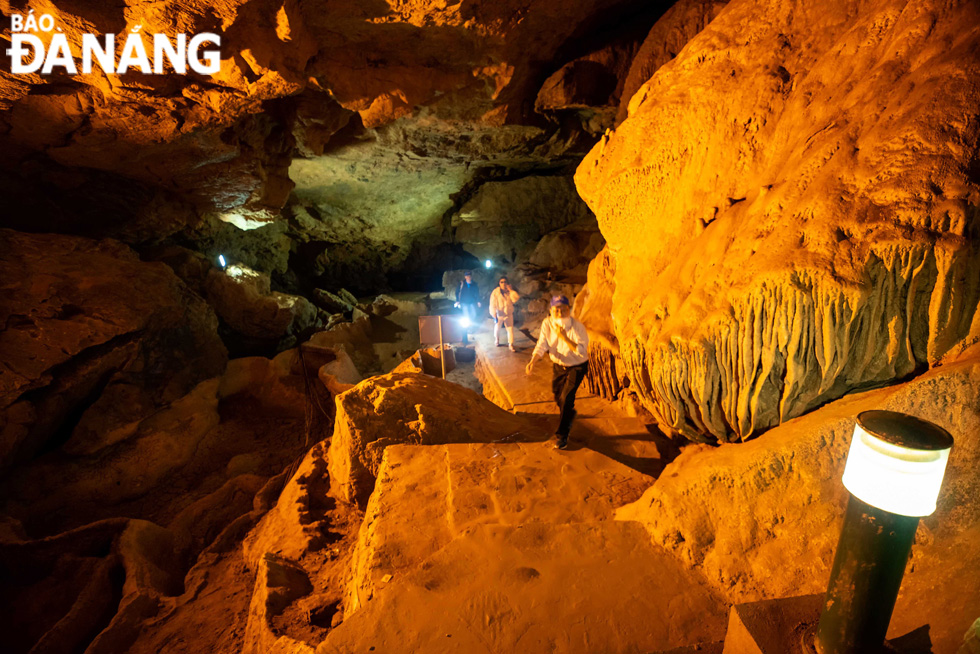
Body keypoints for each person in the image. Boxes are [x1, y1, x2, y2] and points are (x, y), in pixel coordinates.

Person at [525, 296, 589, 450]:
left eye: (563, 309)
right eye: (556, 309)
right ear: (551, 310)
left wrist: (564, 337)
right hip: (559, 366)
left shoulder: (577, 327)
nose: (560, 313)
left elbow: (581, 351)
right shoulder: (547, 323)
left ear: (569, 309)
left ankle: (562, 436)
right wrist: (533, 360)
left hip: (577, 366)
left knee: (566, 399)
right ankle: (569, 414)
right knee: (557, 396)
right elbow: (542, 343)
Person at [489, 276, 520, 352]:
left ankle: (511, 344)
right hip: (499, 314)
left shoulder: (509, 292)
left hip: (508, 314)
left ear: (507, 283)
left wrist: (511, 290)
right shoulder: (495, 292)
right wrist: (493, 313)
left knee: (510, 329)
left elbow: (515, 299)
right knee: (497, 328)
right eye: (501, 282)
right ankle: (497, 340)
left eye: (505, 282)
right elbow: (492, 303)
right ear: (499, 283)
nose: (503, 283)